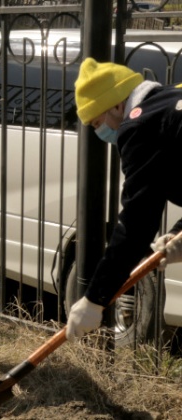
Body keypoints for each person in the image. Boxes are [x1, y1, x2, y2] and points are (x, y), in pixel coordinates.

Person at [66, 57, 182, 341]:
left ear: (118, 105)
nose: (100, 132)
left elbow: (136, 222)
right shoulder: (171, 101)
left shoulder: (140, 125)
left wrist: (95, 298)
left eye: (97, 122)